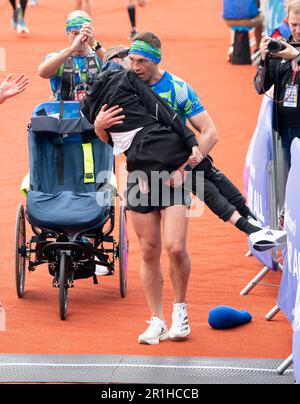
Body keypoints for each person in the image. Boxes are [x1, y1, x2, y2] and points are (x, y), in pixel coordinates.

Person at [91, 40, 286, 345]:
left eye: (141, 62)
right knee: (150, 250)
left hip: (176, 174)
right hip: (140, 175)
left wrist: (185, 166)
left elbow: (210, 133)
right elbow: (115, 141)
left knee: (176, 247)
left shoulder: (179, 88)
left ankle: (179, 312)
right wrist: (98, 126)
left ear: (156, 60)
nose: (135, 67)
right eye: (132, 61)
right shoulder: (123, 85)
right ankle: (156, 319)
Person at [255, 0, 300, 167]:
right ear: (288, 21)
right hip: (287, 126)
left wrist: (296, 56)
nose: (298, 30)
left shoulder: (291, 51)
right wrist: (263, 59)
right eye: (294, 24)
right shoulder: (280, 47)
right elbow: (260, 87)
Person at [38, 10, 105, 101]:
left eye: (84, 33)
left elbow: (116, 70)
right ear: (67, 32)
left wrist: (94, 44)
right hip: (64, 112)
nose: (80, 38)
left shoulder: (98, 55)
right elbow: (42, 72)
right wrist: (71, 49)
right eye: (75, 33)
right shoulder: (58, 58)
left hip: (93, 113)